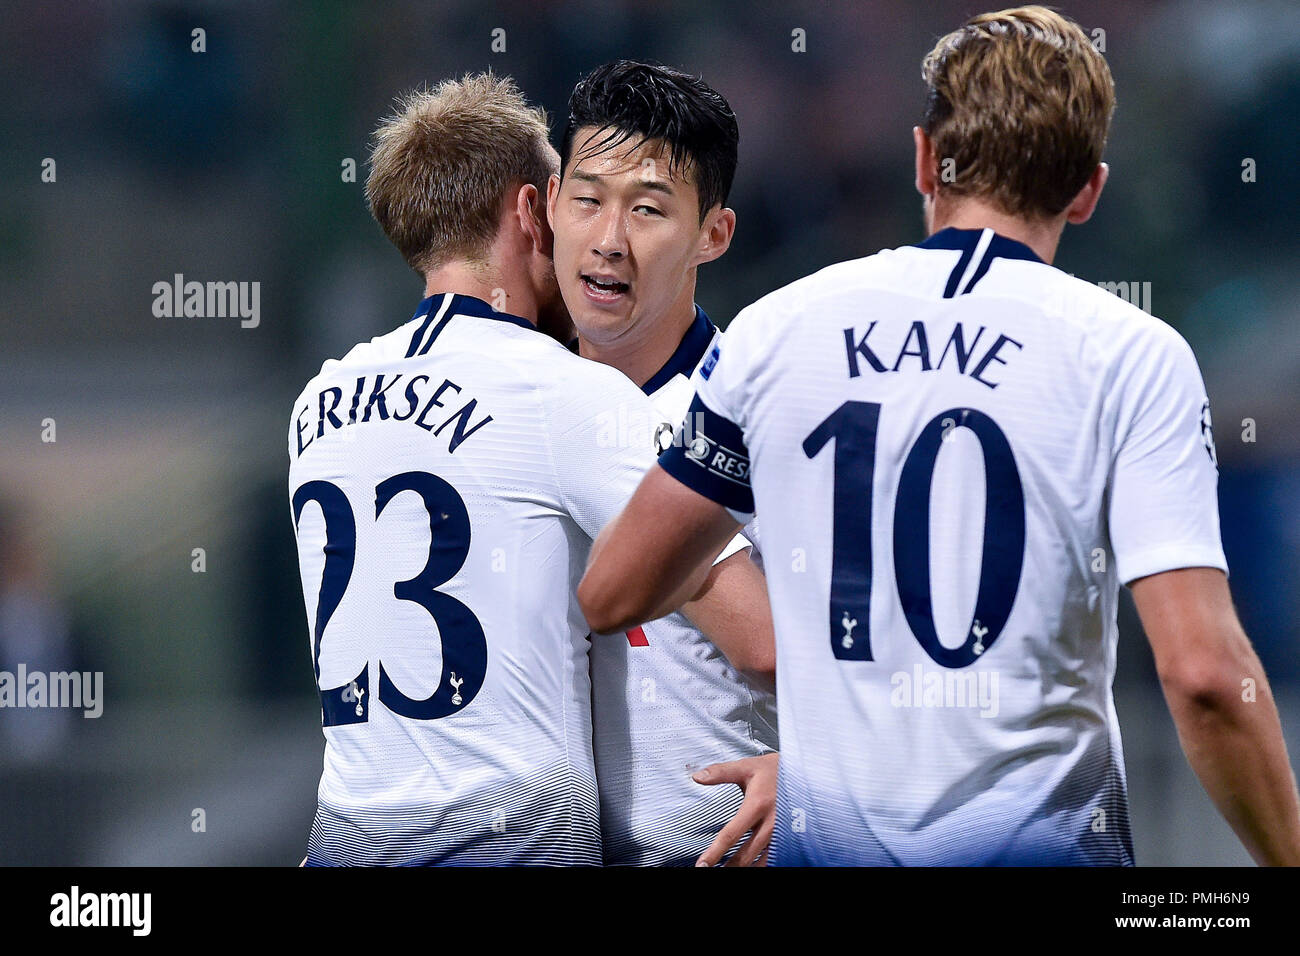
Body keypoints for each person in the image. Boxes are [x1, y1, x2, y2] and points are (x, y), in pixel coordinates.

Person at [579, 6, 1300, 865]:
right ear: (1088, 189)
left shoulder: (777, 332)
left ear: (925, 157)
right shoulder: (1131, 355)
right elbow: (1206, 675)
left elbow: (615, 590)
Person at [289, 73, 686, 864]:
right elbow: (757, 636)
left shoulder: (315, 405)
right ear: (529, 211)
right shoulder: (561, 391)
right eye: (573, 202)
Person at [547, 60, 777, 867]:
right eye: (587, 199)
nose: (608, 239)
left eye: (648, 209)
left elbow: (895, 646)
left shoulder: (769, 418)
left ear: (714, 235)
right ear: (547, 205)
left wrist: (816, 768)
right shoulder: (507, 405)